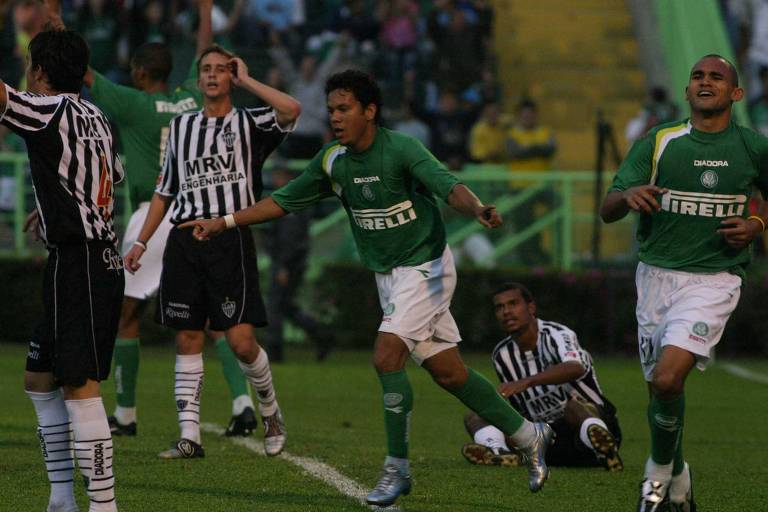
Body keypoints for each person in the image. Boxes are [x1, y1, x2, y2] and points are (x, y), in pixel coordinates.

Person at [180, 69, 555, 507]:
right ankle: (530, 435)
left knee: (385, 355)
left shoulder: (401, 149)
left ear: (369, 111)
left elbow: (446, 185)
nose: (335, 118)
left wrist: (476, 208)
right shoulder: (332, 160)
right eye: (332, 110)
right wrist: (223, 222)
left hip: (426, 266)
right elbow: (282, 202)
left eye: (345, 109)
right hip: (390, 276)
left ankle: (397, 470)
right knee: (448, 371)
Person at [74, 0, 259, 439]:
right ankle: (242, 403)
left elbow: (81, 71)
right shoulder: (192, 98)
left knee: (125, 314)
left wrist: (56, 23)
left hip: (153, 214)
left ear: (140, 72)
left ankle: (126, 412)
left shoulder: (133, 103)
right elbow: (204, 51)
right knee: (216, 319)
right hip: (199, 213)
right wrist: (206, 10)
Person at [600, 54, 768, 512]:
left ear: (735, 93)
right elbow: (608, 206)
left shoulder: (754, 148)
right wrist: (627, 196)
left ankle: (653, 479)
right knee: (660, 387)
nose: (705, 82)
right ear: (688, 91)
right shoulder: (659, 141)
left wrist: (756, 223)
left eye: (716, 77)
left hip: (715, 280)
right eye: (697, 76)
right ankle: (678, 475)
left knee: (671, 377)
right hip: (655, 277)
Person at [122, 45, 301, 459]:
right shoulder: (182, 127)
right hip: (185, 240)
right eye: (207, 69)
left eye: (222, 69)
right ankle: (190, 436)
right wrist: (141, 242)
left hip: (229, 237)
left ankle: (271, 410)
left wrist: (249, 80)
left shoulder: (249, 122)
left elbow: (291, 109)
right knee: (187, 336)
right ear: (199, 78)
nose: (213, 75)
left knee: (240, 341)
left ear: (232, 76)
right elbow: (165, 190)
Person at [1, 27, 123, 512]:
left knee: (79, 386)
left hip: (84, 261)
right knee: (38, 376)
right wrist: (52, 207)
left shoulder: (48, 108)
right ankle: (60, 500)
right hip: (79, 257)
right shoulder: (99, 116)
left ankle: (103, 506)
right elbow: (106, 177)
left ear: (41, 71)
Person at [461, 282, 623, 471]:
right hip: (547, 440)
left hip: (586, 427)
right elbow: (519, 409)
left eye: (513, 304)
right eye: (500, 307)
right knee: (476, 415)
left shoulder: (557, 335)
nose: (506, 311)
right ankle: (499, 453)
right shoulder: (501, 355)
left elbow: (575, 367)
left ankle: (602, 448)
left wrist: (526, 382)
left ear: (531, 308)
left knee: (573, 406)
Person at [263, 162, 333, 362]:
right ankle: (321, 336)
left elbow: (291, 240)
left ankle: (275, 351)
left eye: (279, 175)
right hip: (287, 261)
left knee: (276, 306)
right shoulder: (284, 200)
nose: (275, 180)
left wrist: (283, 265)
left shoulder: (293, 203)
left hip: (288, 263)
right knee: (284, 306)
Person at [507, 98, 557, 265]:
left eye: (530, 115)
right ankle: (527, 259)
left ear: (536, 116)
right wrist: (537, 149)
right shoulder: (512, 134)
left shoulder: (546, 131)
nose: (528, 118)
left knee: (560, 205)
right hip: (520, 187)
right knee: (524, 225)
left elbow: (550, 149)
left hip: (542, 186)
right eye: (524, 115)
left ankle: (556, 252)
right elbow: (514, 152)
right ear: (519, 116)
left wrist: (527, 149)